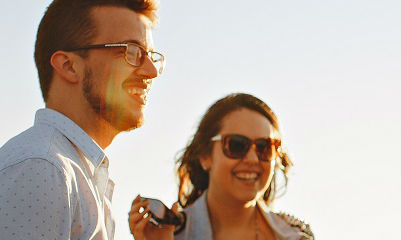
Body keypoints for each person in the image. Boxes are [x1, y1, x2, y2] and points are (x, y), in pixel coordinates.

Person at [0, 0, 163, 240]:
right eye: (131, 52)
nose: (151, 71)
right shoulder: (40, 168)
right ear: (68, 66)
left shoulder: (70, 172)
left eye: (150, 55)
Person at [128, 93, 313, 240]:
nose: (252, 158)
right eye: (236, 145)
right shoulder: (167, 234)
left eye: (265, 148)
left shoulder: (297, 235)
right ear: (205, 156)